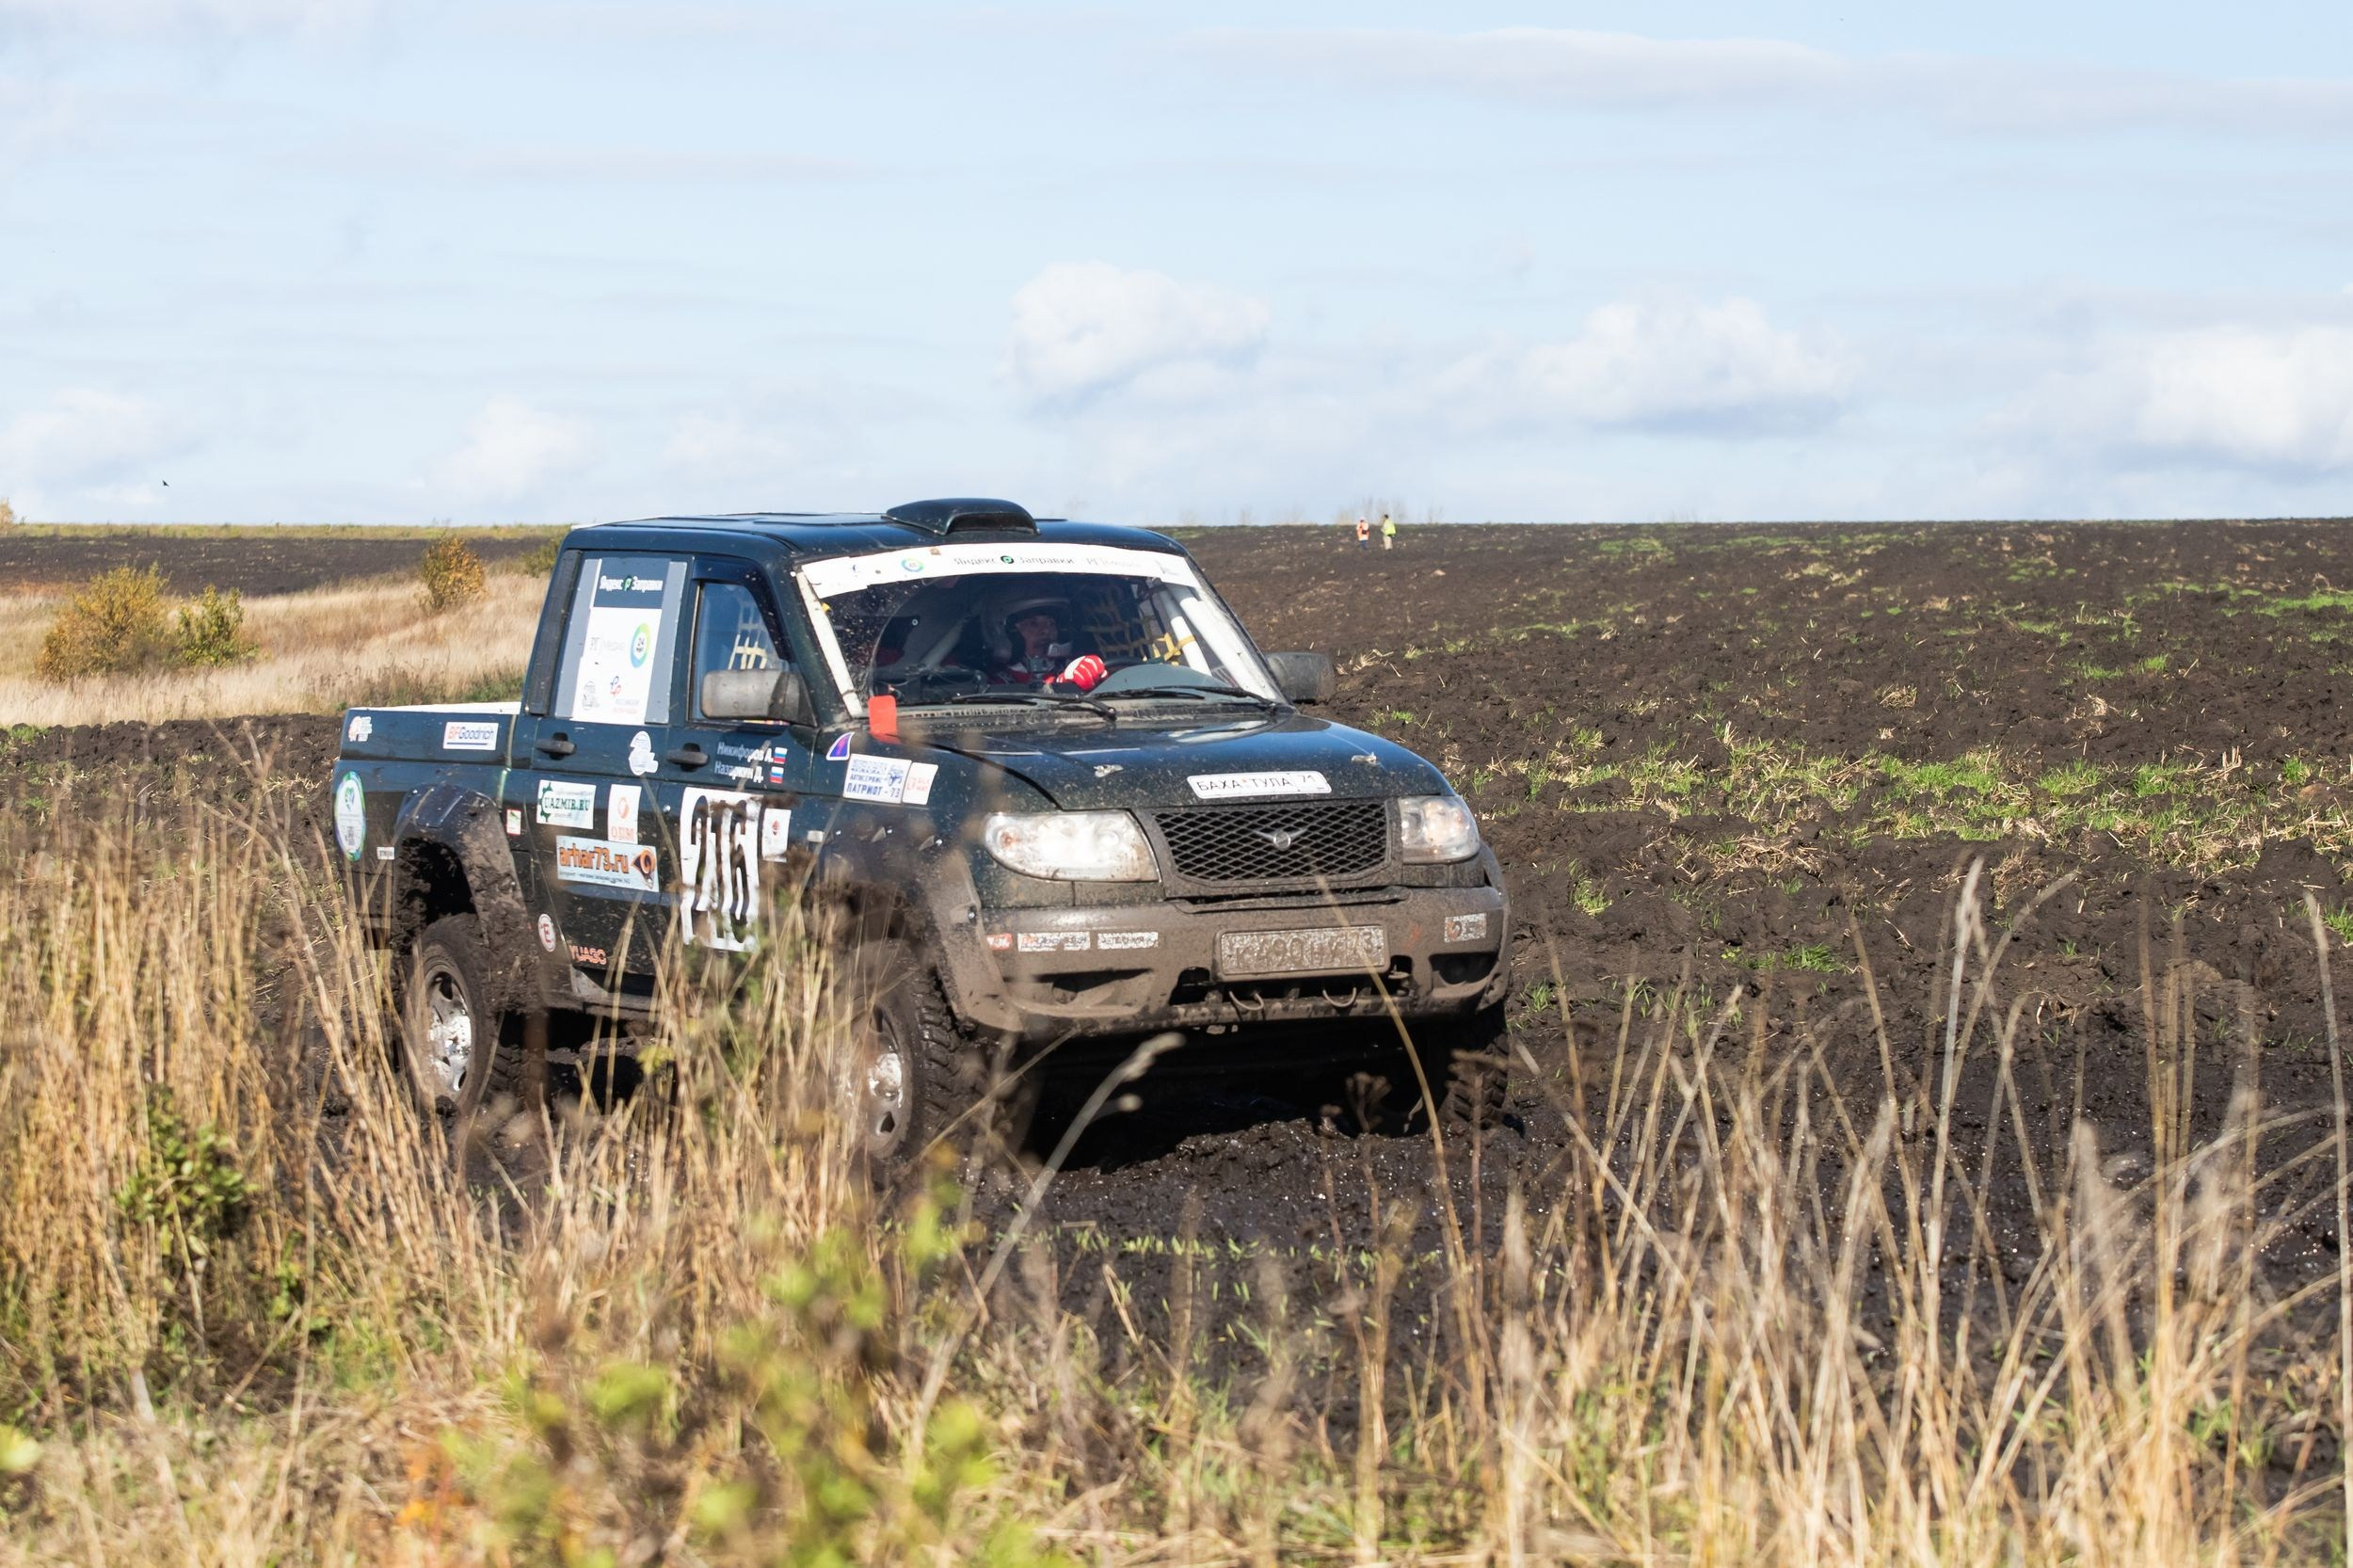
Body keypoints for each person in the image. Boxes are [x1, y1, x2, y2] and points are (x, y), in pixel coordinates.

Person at [990, 598, 1106, 690]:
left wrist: (1094, 672)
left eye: (1051, 623)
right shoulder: (993, 683)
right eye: (1033, 624)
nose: (1045, 630)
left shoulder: (1072, 667)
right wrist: (1060, 686)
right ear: (1011, 634)